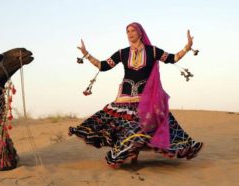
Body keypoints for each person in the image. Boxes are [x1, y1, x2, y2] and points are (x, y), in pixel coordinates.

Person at [68, 22, 203, 167]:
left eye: (133, 30)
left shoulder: (152, 51)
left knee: (148, 127)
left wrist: (187, 47)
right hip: (124, 99)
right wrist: (86, 54)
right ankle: (128, 152)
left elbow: (172, 58)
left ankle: (131, 152)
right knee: (125, 127)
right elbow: (103, 66)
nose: (130, 33)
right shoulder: (122, 53)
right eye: (127, 31)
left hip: (147, 99)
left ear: (140, 33)